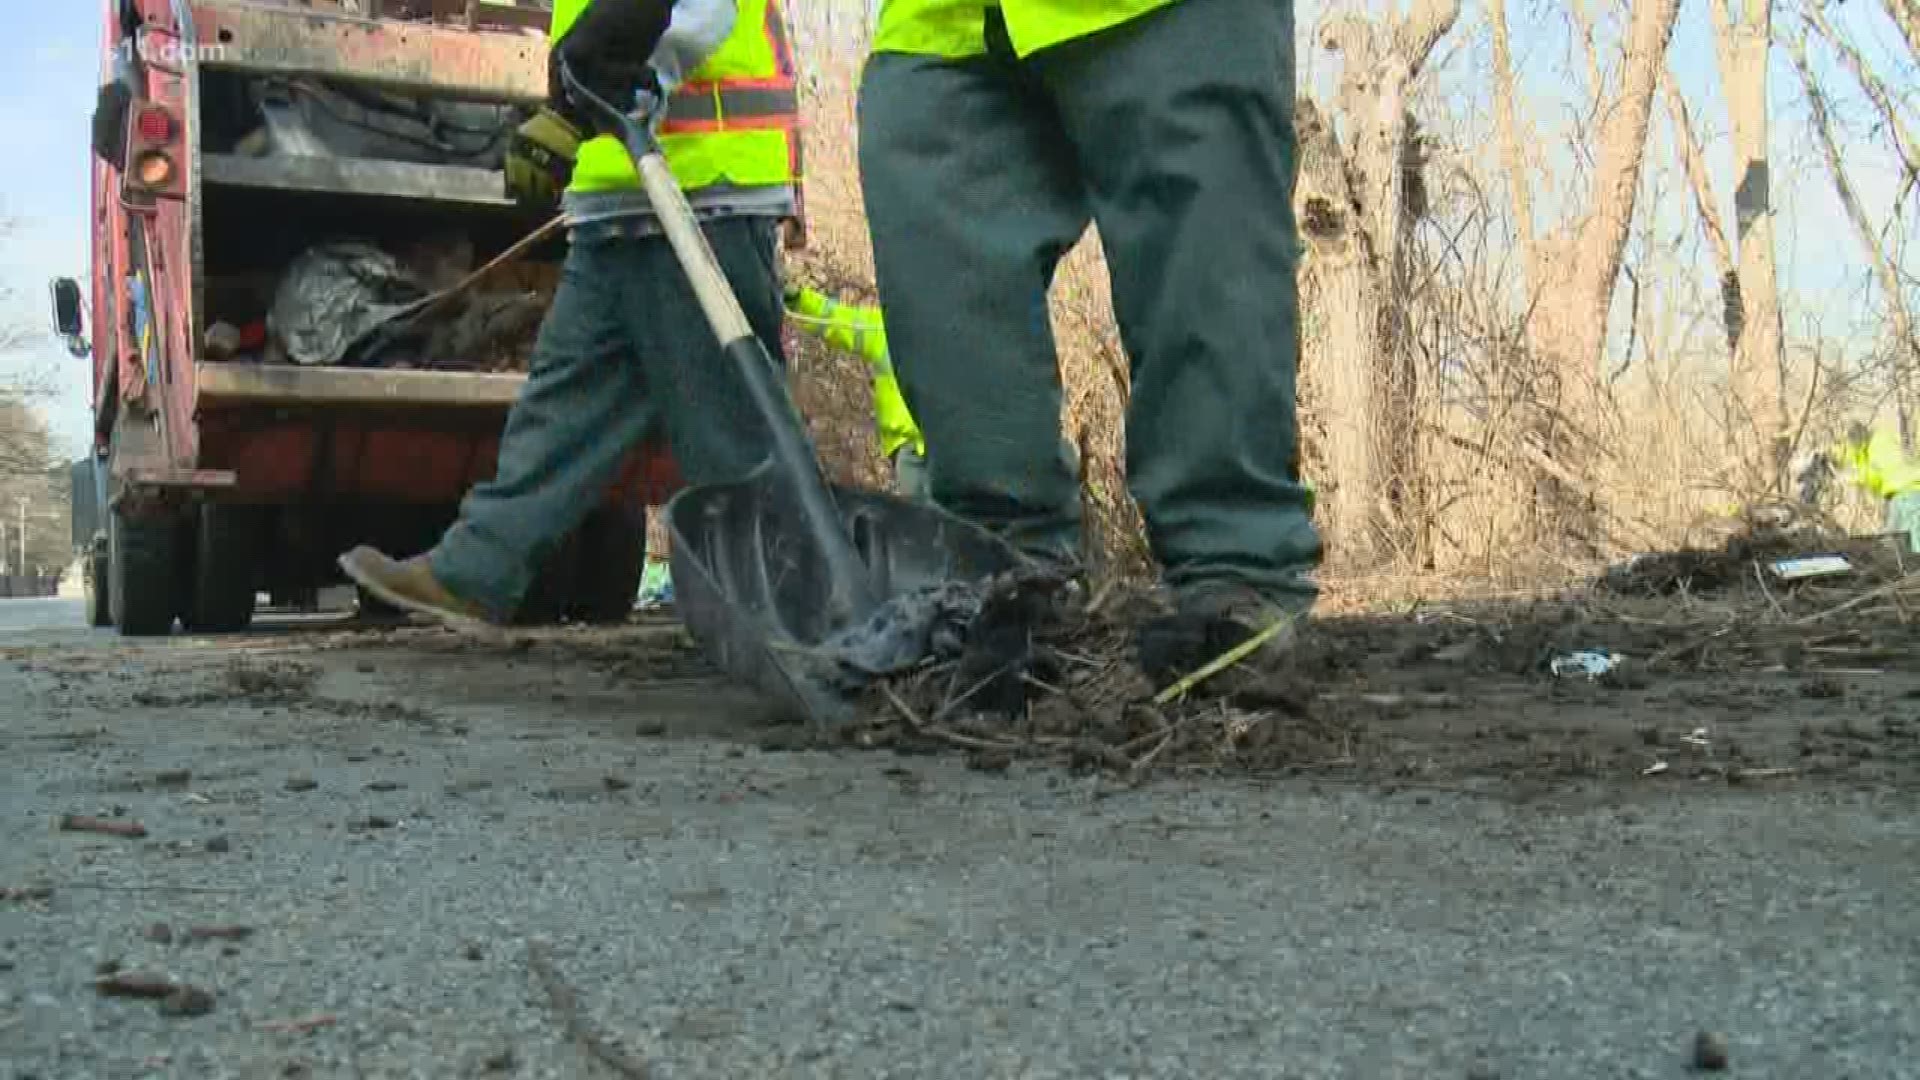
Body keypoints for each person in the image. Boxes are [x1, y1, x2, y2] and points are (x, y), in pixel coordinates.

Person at [855, 0, 1323, 684]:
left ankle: (1236, 576)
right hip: (941, 21)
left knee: (1206, 272)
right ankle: (1003, 575)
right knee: (940, 266)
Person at [338, 0, 804, 626]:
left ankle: (799, 612)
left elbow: (690, 16)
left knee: (730, 434)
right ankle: (475, 570)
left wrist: (580, 106)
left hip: (698, 191)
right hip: (620, 195)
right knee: (560, 408)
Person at [782, 283, 931, 500]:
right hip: (910, 450)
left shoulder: (886, 329)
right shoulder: (883, 328)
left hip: (925, 450)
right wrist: (797, 299)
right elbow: (836, 320)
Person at [1829, 421, 1920, 552]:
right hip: (1898, 495)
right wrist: (1833, 459)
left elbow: (1876, 474)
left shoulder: (1879, 444)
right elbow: (1847, 453)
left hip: (1910, 491)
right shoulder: (1866, 449)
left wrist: (1851, 477)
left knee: (1913, 538)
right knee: (1893, 538)